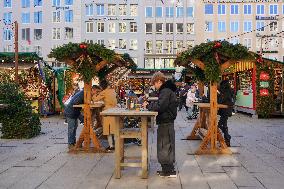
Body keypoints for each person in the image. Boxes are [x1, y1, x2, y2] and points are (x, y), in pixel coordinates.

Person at [143, 72, 178, 178]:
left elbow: (160, 106)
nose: (154, 86)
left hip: (166, 121)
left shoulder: (165, 91)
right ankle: (167, 169)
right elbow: (162, 104)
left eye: (154, 84)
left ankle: (168, 171)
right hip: (167, 121)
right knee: (165, 145)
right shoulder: (167, 90)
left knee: (164, 146)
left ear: (159, 81)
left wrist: (148, 106)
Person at [92, 79, 118, 152]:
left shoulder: (104, 92)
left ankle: (111, 146)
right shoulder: (113, 90)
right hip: (115, 111)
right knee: (114, 129)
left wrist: (94, 93)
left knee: (108, 130)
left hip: (107, 112)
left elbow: (95, 100)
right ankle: (117, 144)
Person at [218, 80, 234, 147]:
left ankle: (227, 137)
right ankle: (227, 141)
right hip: (225, 111)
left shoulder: (226, 92)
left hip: (225, 111)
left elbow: (220, 101)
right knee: (224, 125)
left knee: (219, 125)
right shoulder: (228, 91)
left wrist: (218, 94)